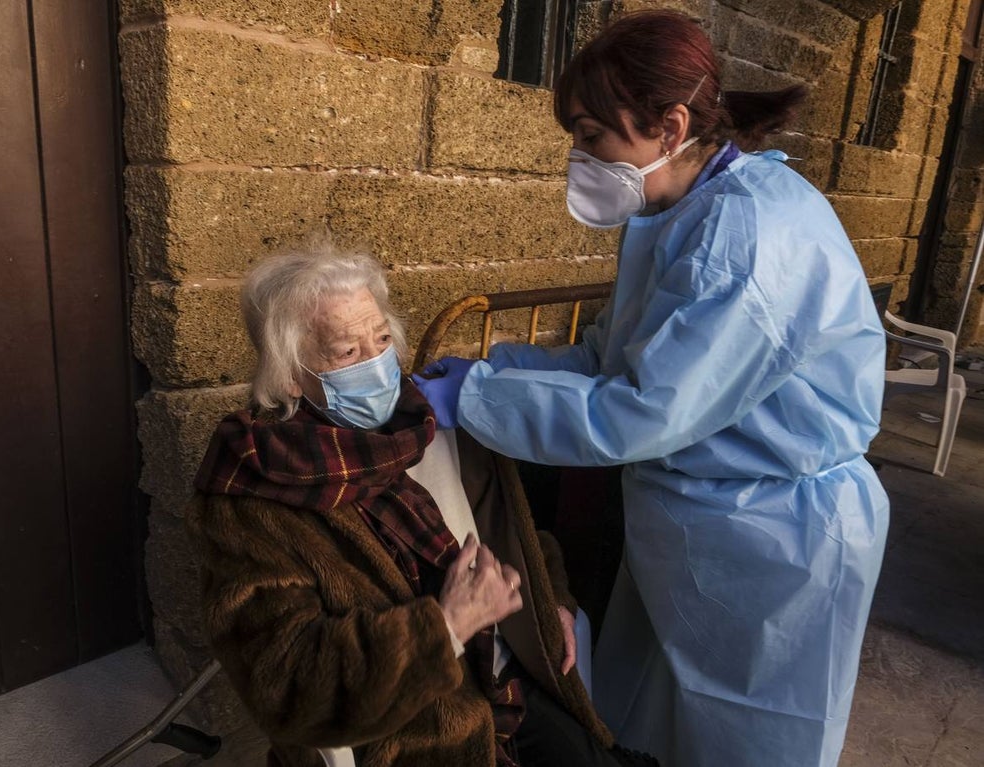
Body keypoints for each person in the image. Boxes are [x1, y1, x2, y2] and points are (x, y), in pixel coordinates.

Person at [414, 10, 890, 767]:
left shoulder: (743, 244)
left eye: (591, 135)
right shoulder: (682, 213)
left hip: (776, 541)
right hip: (703, 523)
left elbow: (639, 411)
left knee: (747, 742)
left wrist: (477, 401)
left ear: (670, 127)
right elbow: (610, 358)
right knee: (652, 724)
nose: (579, 157)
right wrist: (498, 370)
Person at [186, 243, 655, 767]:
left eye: (382, 339)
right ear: (291, 376)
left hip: (503, 681)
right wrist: (445, 627)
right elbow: (288, 688)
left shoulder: (429, 424)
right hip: (411, 735)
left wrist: (551, 604)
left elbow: (518, 534)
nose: (377, 364)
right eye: (347, 352)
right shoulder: (251, 498)